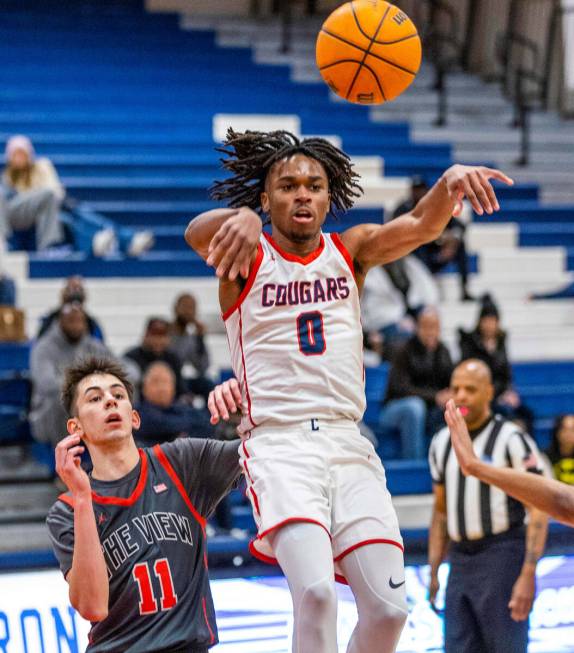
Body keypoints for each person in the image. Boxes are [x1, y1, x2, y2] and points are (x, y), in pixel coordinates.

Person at [185, 128, 513, 653]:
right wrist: (239, 217)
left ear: (328, 194)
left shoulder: (351, 250)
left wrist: (449, 185)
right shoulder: (245, 254)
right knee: (315, 594)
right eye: (287, 186)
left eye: (313, 185)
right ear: (266, 198)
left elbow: (419, 225)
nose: (302, 194)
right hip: (280, 444)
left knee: (388, 612)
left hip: (347, 441)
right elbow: (196, 232)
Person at [45, 356, 241, 652]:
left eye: (118, 395)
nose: (109, 401)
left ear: (134, 417)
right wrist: (84, 498)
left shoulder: (180, 462)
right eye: (95, 398)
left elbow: (263, 450)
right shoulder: (67, 509)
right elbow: (93, 606)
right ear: (76, 428)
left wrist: (246, 409)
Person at [428, 359, 548, 653]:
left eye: (470, 388)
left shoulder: (512, 439)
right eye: (456, 388)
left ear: (489, 392)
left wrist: (528, 574)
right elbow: (441, 512)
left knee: (505, 646)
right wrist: (433, 570)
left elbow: (539, 509)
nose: (462, 396)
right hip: (459, 559)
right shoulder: (442, 442)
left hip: (502, 553)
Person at [448, 398, 574, 527]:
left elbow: (561, 502)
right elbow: (561, 502)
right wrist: (475, 467)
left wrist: (476, 467)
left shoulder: (513, 438)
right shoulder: (547, 455)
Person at [29, 303, 110, 450]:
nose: (76, 326)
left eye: (80, 321)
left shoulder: (94, 346)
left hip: (86, 407)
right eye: (71, 321)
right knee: (63, 399)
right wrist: (84, 389)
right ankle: (64, 454)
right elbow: (46, 383)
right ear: (60, 321)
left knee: (117, 393)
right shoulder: (43, 348)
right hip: (47, 413)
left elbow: (122, 368)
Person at [380, 307, 453, 459]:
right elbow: (400, 388)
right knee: (415, 407)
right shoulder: (404, 350)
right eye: (427, 327)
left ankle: (445, 461)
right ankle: (414, 463)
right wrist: (435, 397)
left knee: (458, 405)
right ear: (418, 327)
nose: (431, 332)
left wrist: (449, 395)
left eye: (435, 327)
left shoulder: (443, 351)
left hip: (429, 409)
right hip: (393, 408)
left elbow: (450, 381)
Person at [458, 294, 533, 432]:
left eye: (492, 321)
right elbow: (469, 375)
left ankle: (527, 451)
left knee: (527, 413)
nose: (489, 325)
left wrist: (509, 391)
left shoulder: (501, 342)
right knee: (505, 413)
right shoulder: (470, 343)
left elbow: (506, 373)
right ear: (480, 322)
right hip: (479, 395)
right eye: (486, 321)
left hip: (499, 392)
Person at [393, 176, 474, 301]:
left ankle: (464, 290)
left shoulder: (436, 206)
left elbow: (459, 226)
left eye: (421, 189)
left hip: (436, 251)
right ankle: (415, 294)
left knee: (460, 245)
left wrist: (452, 242)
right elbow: (394, 231)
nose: (418, 193)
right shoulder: (403, 209)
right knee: (417, 247)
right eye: (415, 189)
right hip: (414, 253)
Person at [0, 134, 66, 251]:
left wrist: (33, 197)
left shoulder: (42, 167)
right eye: (15, 154)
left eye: (22, 153)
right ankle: (2, 242)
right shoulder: (7, 176)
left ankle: (49, 246)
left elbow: (55, 193)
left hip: (39, 208)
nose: (19, 158)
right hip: (14, 212)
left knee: (47, 195)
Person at [136, 361, 214, 446]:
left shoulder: (184, 410)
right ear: (144, 388)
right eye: (155, 381)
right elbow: (157, 425)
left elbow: (206, 424)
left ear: (174, 389)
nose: (161, 388)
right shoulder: (136, 413)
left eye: (165, 381)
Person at [168, 292, 214, 401]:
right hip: (165, 379)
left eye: (192, 308)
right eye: (185, 307)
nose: (189, 311)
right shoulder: (165, 332)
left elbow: (202, 367)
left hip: (181, 381)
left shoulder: (191, 339)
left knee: (207, 385)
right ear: (176, 308)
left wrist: (200, 339)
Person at [124, 317, 185, 397]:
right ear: (146, 336)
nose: (158, 340)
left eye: (162, 336)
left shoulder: (173, 358)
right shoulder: (131, 358)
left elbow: (180, 388)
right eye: (154, 335)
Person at [37, 275, 105, 341]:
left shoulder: (92, 325)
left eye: (78, 289)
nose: (75, 293)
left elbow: (99, 347)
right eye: (71, 289)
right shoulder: (50, 321)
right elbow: (40, 344)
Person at [545, 414, 574, 484]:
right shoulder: (545, 457)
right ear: (557, 432)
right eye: (564, 429)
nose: (569, 434)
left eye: (572, 430)